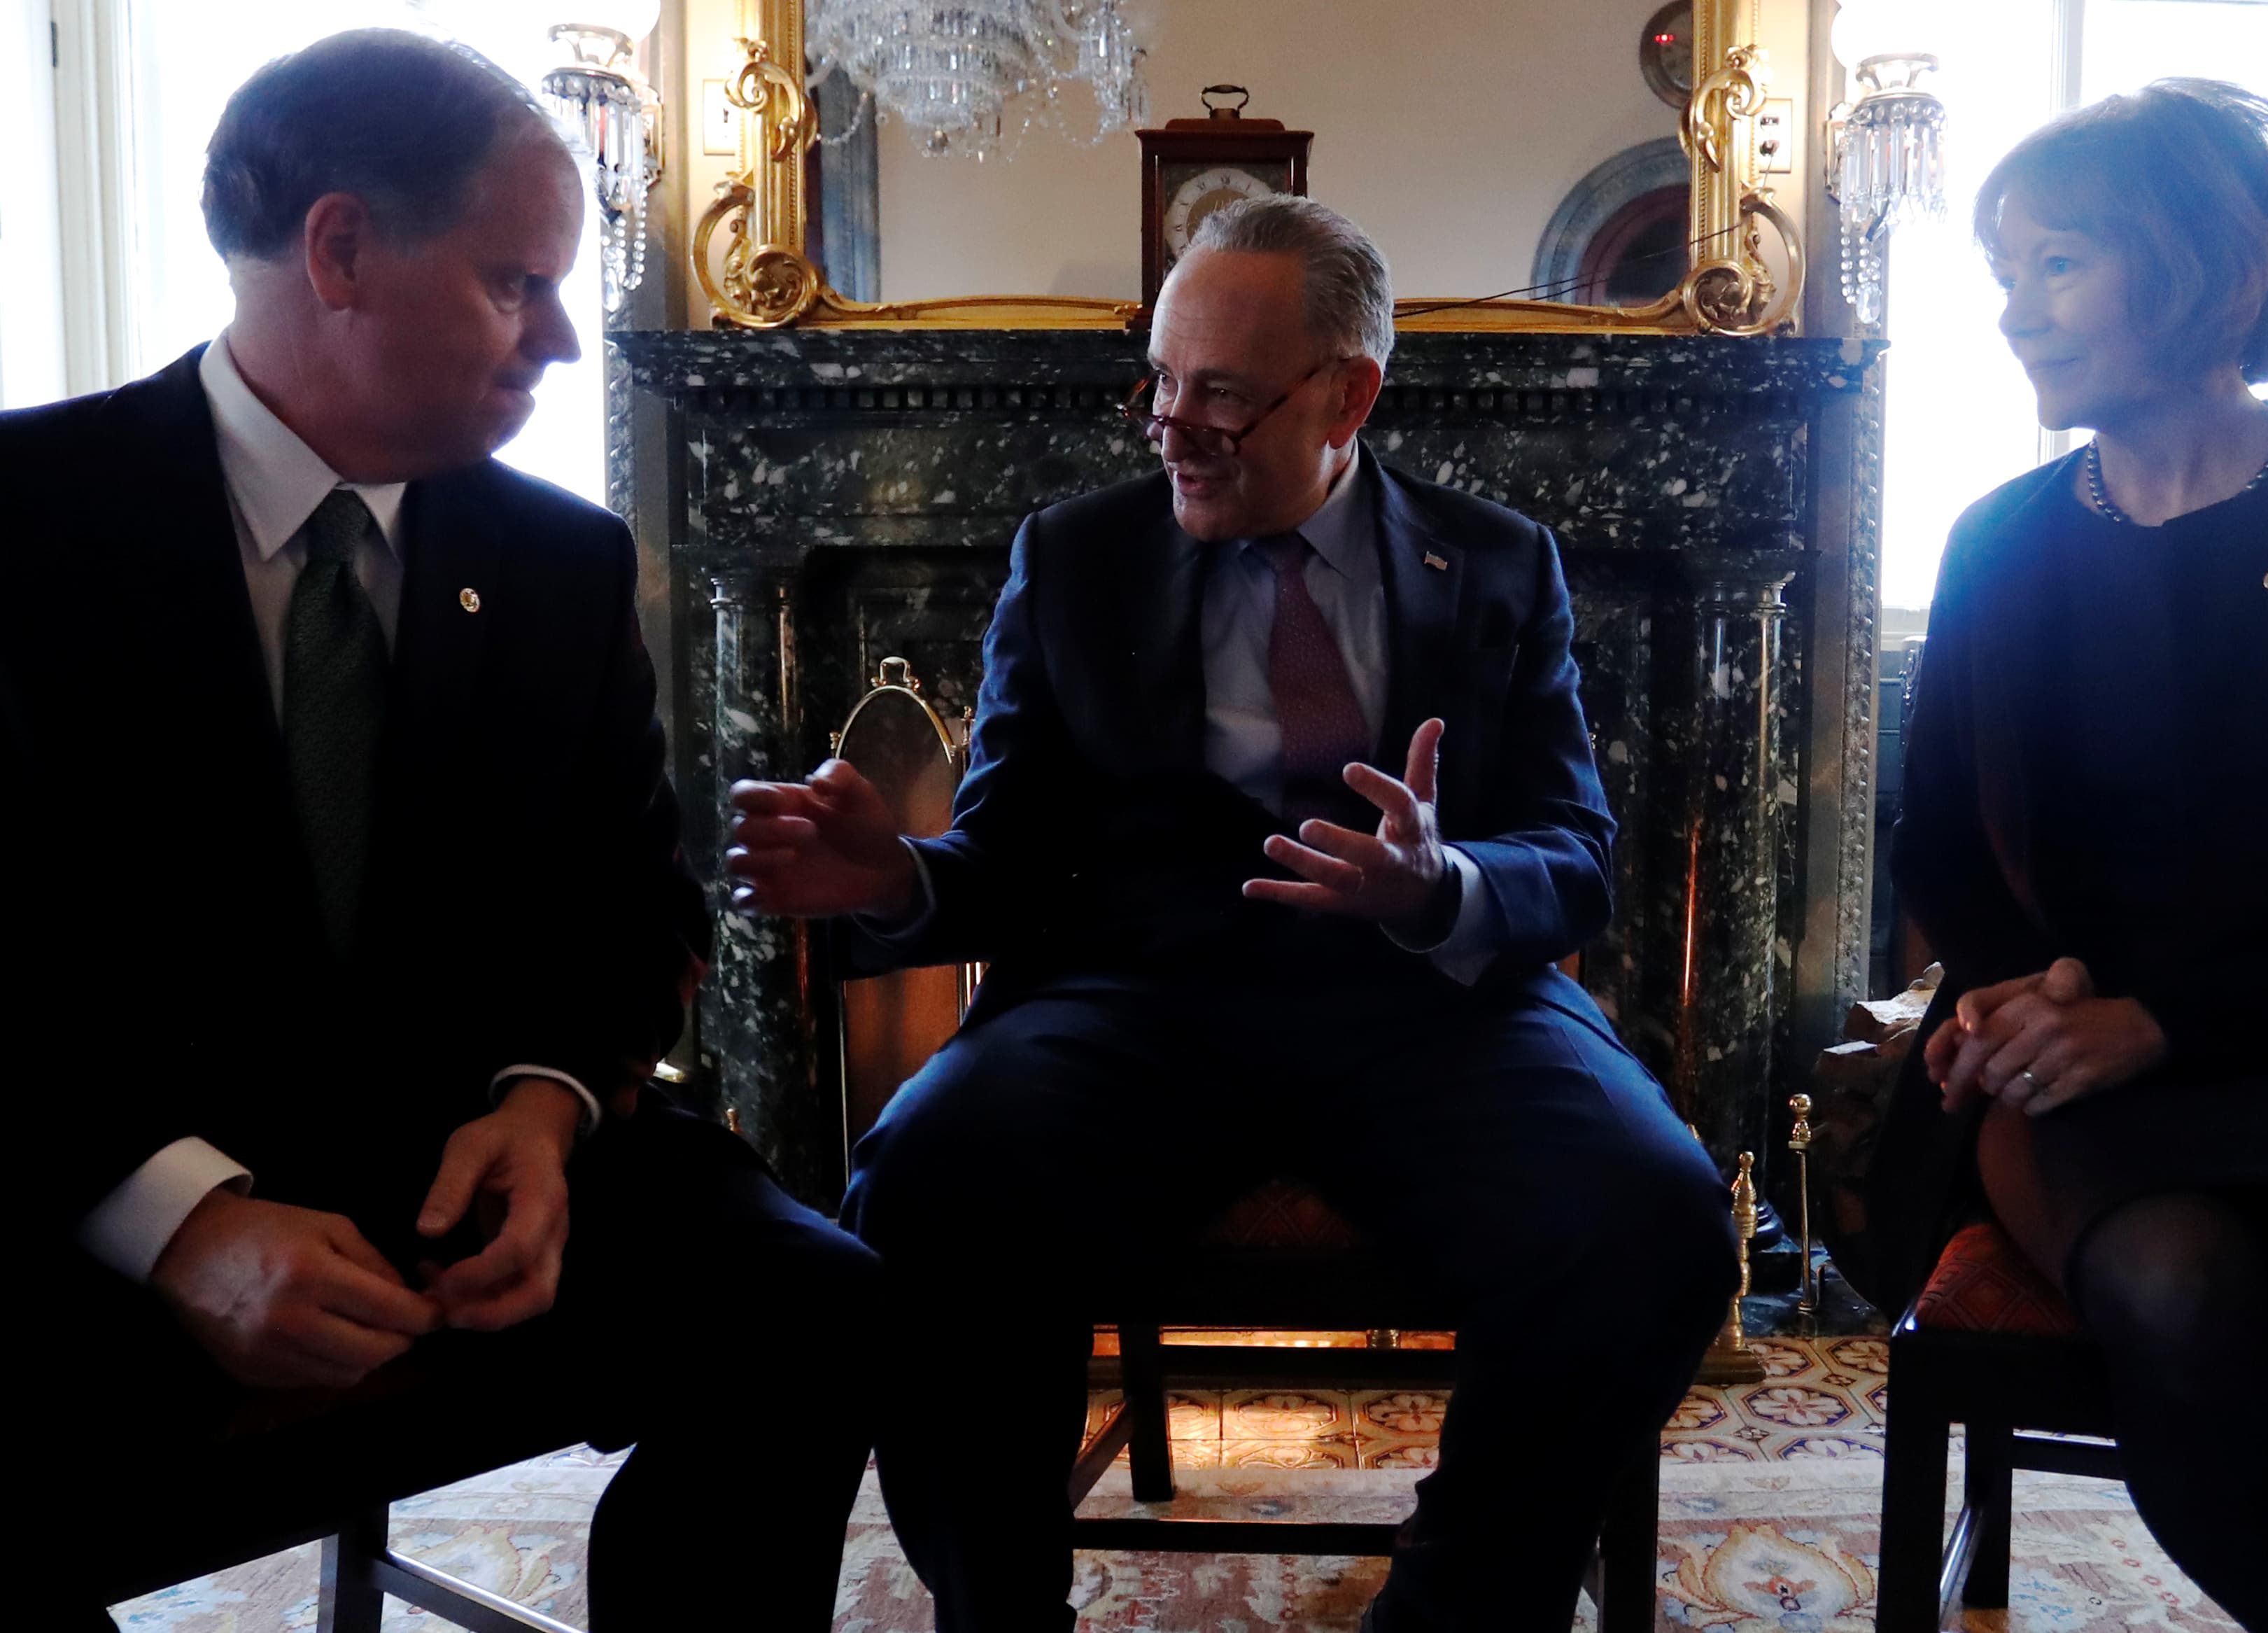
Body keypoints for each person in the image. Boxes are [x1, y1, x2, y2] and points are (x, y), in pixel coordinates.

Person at [726, 194, 1737, 1633]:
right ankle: (1000, 1618)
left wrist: (1442, 886)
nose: (1170, 427)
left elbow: (1572, 853)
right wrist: (897, 880)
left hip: (1432, 1012)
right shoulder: (1074, 558)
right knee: (925, 1188)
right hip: (1136, 1004)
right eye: (1158, 382)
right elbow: (1007, 857)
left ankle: (1452, 1616)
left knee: (1658, 1219)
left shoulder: (1499, 561)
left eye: (1219, 395)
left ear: (1347, 396)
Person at [1, 30, 877, 1629]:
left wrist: (548, 1105)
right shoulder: (23, 521)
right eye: (515, 283)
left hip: (460, 1161)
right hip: (91, 1186)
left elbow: (635, 904)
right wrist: (176, 1222)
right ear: (339, 249)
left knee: (812, 1306)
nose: (563, 337)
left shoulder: (561, 562)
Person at [1878, 79, 2268, 1632]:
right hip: (2074, 1087)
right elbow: (1939, 840)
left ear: (2210, 267)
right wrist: (2020, 999)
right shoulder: (2000, 540)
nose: (2016, 311)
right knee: (2177, 1287)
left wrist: (2167, 1022)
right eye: (2006, 271)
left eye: (2058, 264)